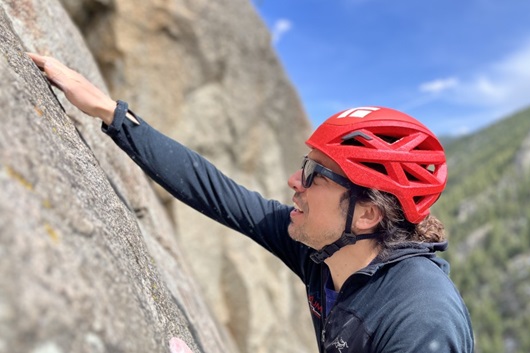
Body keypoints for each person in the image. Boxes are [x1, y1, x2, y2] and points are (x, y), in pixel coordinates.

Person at [28, 53, 475, 352]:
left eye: (314, 175)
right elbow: (219, 193)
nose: (293, 182)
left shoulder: (421, 322)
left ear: (368, 213)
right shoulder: (325, 251)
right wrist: (110, 111)